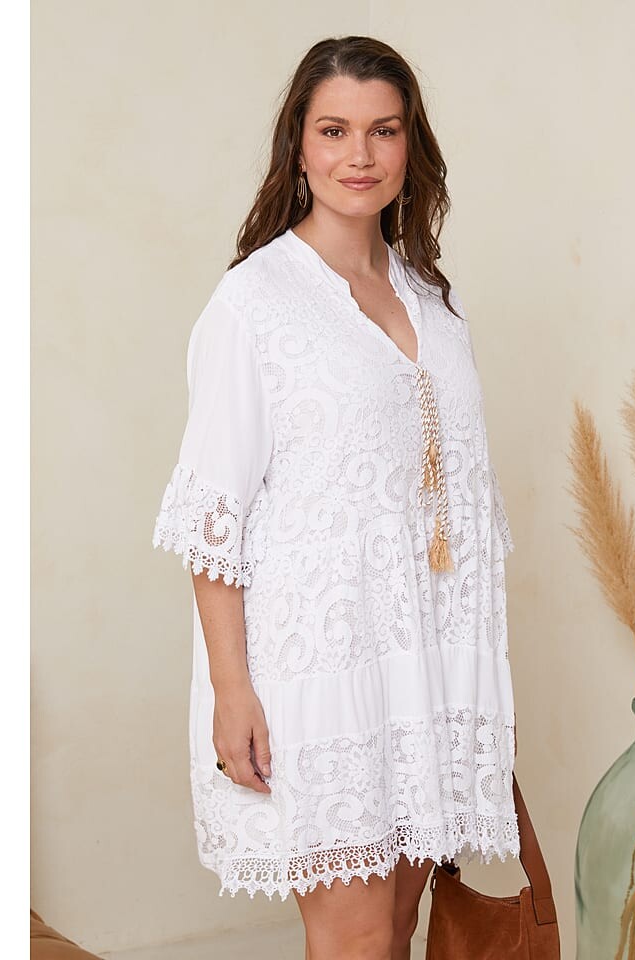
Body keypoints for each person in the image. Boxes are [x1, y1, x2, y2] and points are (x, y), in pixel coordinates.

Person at [152, 34, 519, 960]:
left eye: (383, 130)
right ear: (299, 146)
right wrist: (232, 692)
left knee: (395, 931)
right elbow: (213, 518)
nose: (360, 155)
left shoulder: (432, 298)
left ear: (410, 147)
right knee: (354, 938)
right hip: (319, 672)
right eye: (334, 130)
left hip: (427, 664)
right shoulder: (254, 304)